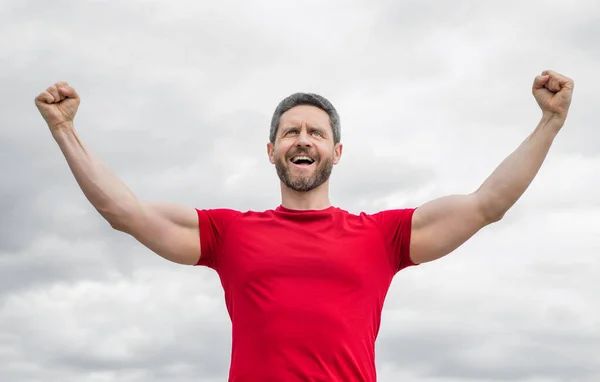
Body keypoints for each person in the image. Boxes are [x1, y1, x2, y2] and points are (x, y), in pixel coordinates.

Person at [35, 70, 574, 382]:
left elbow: (487, 205)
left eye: (316, 132)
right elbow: (124, 213)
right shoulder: (229, 234)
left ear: (336, 151)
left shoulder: (381, 237)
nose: (303, 139)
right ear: (271, 150)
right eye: (291, 131)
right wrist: (64, 131)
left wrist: (549, 122)